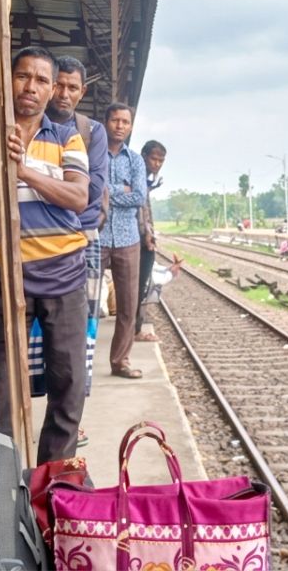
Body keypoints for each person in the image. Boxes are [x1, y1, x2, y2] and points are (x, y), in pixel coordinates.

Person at [0, 46, 90, 463]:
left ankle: (52, 471)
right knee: (0, 381)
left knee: (68, 378)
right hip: (4, 271)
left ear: (51, 91)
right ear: (8, 81)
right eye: (23, 76)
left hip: (64, 271)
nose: (31, 87)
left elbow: (78, 197)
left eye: (42, 80)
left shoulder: (66, 137)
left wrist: (22, 169)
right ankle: (4, 469)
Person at [45, 56, 108, 447]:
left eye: (73, 87)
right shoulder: (31, 124)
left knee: (78, 344)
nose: (64, 94)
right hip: (34, 246)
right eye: (60, 85)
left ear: (82, 91)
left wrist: (49, 192)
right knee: (35, 343)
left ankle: (72, 420)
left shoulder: (90, 131)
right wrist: (63, 189)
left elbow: (90, 192)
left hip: (82, 244)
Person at [99, 103, 148, 378]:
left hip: (128, 238)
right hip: (98, 235)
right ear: (106, 122)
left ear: (130, 126)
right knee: (85, 302)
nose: (120, 126)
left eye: (125, 122)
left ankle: (120, 361)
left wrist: (109, 191)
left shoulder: (136, 160)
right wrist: (120, 190)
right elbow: (94, 192)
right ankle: (80, 361)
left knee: (128, 305)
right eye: (115, 120)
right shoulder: (94, 154)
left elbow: (139, 196)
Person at [136, 140, 167, 333]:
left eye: (160, 161)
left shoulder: (145, 177)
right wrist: (148, 235)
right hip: (135, 238)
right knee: (138, 287)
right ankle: (135, 329)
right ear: (144, 156)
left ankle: (135, 328)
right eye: (153, 159)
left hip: (140, 236)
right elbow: (142, 210)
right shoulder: (138, 173)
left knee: (139, 286)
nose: (156, 164)